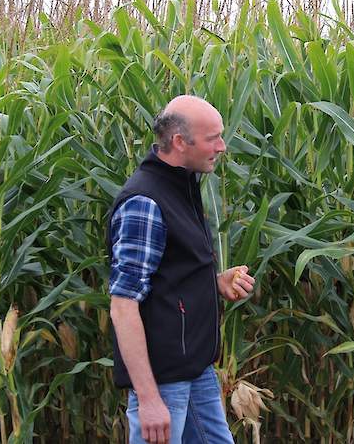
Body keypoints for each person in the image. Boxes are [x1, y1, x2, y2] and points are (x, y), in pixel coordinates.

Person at [108, 95, 255, 444]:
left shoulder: (181, 186)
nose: (222, 146)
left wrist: (212, 282)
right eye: (212, 138)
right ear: (178, 142)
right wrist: (148, 398)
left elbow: (168, 275)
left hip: (196, 367)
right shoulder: (145, 202)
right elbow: (123, 305)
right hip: (163, 378)